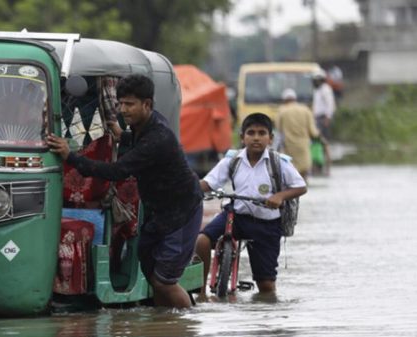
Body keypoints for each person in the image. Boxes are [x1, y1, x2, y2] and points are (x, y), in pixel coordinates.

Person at [46, 74, 203, 309]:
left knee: (165, 282)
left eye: (129, 104)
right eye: (120, 103)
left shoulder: (158, 137)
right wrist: (122, 135)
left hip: (181, 213)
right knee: (153, 276)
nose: (123, 109)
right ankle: (164, 330)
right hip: (158, 212)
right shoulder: (143, 127)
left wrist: (71, 156)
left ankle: (185, 329)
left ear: (147, 105)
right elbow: (137, 141)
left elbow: (117, 171)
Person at [195, 113, 307, 295]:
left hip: (267, 225)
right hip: (236, 217)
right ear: (242, 137)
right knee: (202, 240)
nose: (256, 137)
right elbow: (208, 183)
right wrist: (188, 187)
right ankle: (201, 293)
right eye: (251, 133)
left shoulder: (279, 162)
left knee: (266, 287)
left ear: (270, 139)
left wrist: (279, 196)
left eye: (262, 133)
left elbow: (301, 186)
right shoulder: (232, 160)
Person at [275, 88, 319, 182]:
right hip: (303, 145)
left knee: (290, 171)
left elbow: (278, 129)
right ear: (295, 98)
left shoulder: (282, 111)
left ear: (284, 100)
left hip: (288, 146)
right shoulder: (305, 110)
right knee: (304, 169)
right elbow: (313, 131)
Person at [312, 69, 335, 174]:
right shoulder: (317, 90)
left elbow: (330, 104)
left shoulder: (325, 89)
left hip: (323, 118)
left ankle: (328, 167)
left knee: (324, 142)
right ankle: (319, 167)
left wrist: (328, 118)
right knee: (318, 142)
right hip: (317, 118)